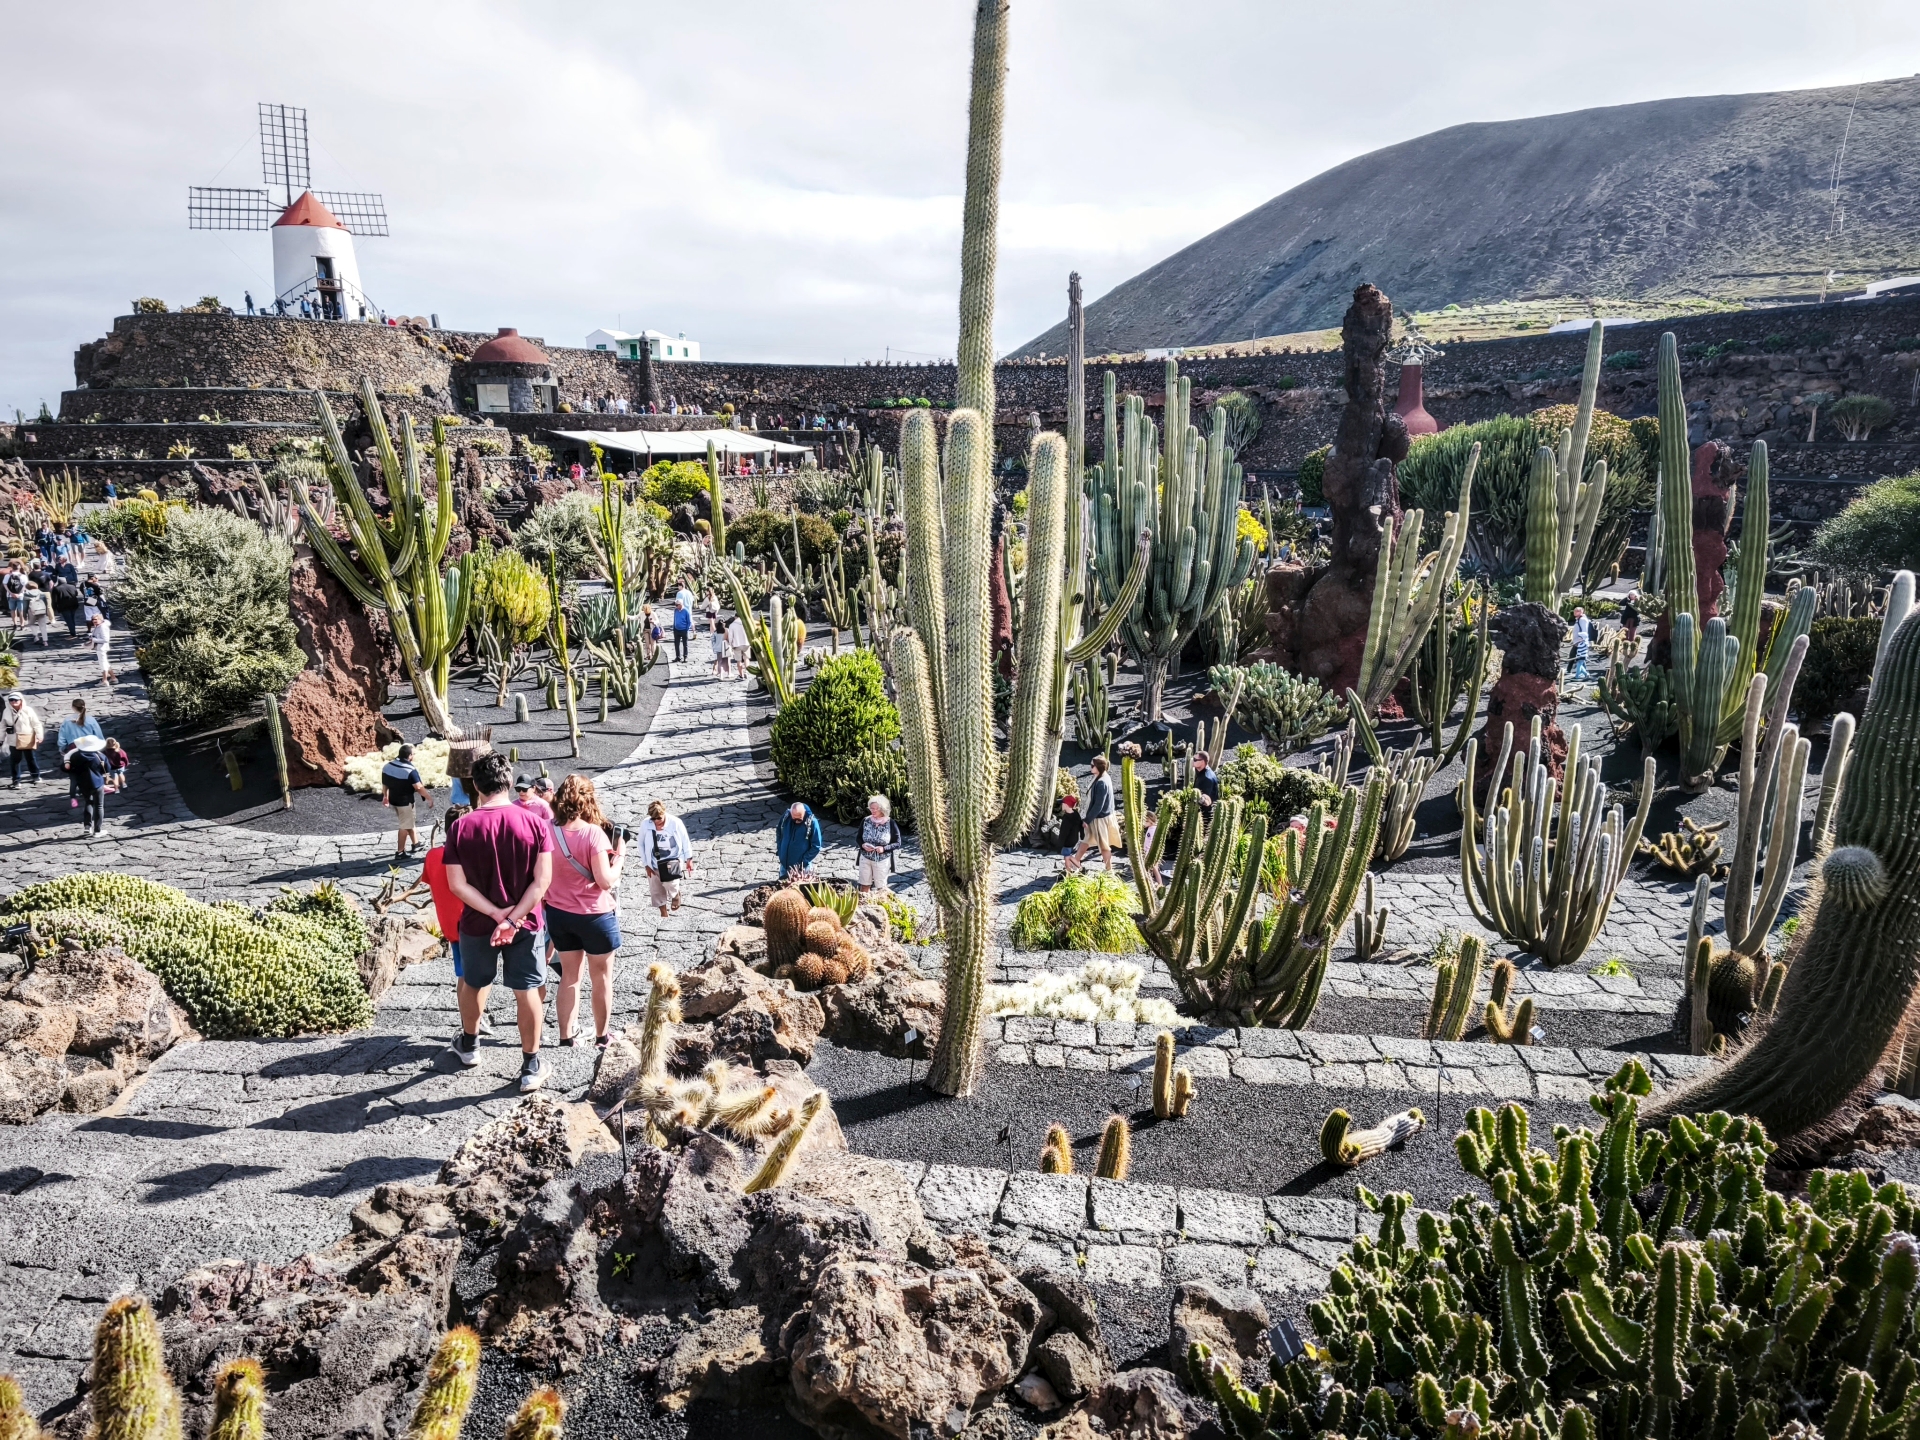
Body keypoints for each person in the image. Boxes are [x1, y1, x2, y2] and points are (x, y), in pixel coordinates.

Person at [442, 752, 554, 1091]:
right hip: (526, 924)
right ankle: (531, 1064)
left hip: (477, 923)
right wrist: (514, 918)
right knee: (527, 990)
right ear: (508, 782)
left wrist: (495, 915)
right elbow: (542, 881)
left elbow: (456, 885)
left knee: (474, 982)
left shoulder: (461, 827)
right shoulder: (535, 824)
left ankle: (470, 1044)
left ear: (476, 786)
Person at [545, 776, 627, 1047]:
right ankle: (602, 1036)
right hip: (594, 915)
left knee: (569, 976)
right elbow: (605, 880)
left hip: (559, 914)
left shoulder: (547, 829)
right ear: (587, 799)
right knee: (601, 977)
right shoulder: (593, 833)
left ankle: (566, 1037)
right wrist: (620, 857)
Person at [423, 804, 494, 1035]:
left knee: (464, 974)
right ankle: (474, 1021)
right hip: (473, 923)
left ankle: (468, 1020)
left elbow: (432, 888)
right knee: (481, 976)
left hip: (449, 924)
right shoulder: (471, 857)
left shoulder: (432, 856)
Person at [640, 797, 694, 917]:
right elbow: (641, 844)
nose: (656, 821)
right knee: (656, 889)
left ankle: (675, 895)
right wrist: (646, 864)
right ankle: (664, 913)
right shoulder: (645, 824)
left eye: (659, 818)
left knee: (671, 883)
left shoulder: (675, 822)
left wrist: (688, 859)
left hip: (672, 859)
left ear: (664, 813)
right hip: (653, 862)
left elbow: (685, 840)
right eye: (653, 818)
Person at [381, 744, 433, 856]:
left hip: (394, 801)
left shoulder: (387, 766)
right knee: (404, 826)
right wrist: (429, 798)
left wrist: (385, 796)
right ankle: (400, 852)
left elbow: (385, 784)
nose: (414, 756)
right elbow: (418, 787)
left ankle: (416, 844)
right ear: (409, 756)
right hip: (405, 803)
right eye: (413, 754)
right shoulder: (410, 770)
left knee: (409, 821)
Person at [1070, 754, 1118, 874]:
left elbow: (1098, 805)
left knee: (1104, 846)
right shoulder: (1103, 777)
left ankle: (1109, 871)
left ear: (1099, 767)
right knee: (1085, 841)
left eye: (1092, 766)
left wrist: (1087, 820)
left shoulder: (1101, 782)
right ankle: (1075, 863)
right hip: (1097, 818)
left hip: (1099, 820)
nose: (1090, 767)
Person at [58, 698, 102, 809]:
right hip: (90, 749)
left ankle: (74, 797)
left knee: (74, 775)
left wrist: (62, 749)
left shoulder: (67, 721)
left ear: (73, 707)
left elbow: (62, 738)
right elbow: (99, 736)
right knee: (92, 770)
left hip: (73, 750)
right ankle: (91, 791)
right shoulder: (91, 720)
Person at [856, 795, 900, 896]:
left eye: (876, 808)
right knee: (864, 885)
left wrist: (884, 848)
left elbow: (898, 843)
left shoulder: (891, 823)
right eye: (871, 808)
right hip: (865, 858)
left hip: (882, 860)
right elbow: (858, 838)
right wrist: (862, 845)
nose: (873, 811)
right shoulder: (866, 820)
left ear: (882, 809)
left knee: (881, 888)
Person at [70, 734, 108, 836]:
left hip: (82, 783)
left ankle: (87, 826)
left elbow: (68, 768)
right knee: (99, 805)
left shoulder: (75, 756)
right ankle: (97, 830)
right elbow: (107, 769)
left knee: (88, 802)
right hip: (97, 783)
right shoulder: (100, 756)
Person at [776, 800, 823, 881]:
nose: (797, 821)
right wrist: (780, 851)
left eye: (799, 819)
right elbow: (779, 832)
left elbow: (817, 846)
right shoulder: (786, 817)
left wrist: (804, 861)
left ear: (804, 812)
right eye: (794, 819)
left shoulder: (812, 822)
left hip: (802, 869)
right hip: (784, 866)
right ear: (791, 813)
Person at [6, 693, 42, 788]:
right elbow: (2, 726)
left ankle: (36, 776)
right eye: (11, 700)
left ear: (21, 700)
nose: (13, 702)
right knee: (15, 760)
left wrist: (39, 735)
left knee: (30, 758)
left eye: (16, 700)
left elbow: (36, 724)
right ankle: (16, 780)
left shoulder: (28, 710)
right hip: (13, 740)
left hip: (27, 738)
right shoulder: (7, 711)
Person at [1056, 794, 1084, 872]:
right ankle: (1069, 870)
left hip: (1067, 841)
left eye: (1063, 803)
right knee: (1067, 855)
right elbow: (1080, 825)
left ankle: (1077, 869)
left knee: (1067, 856)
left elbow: (1063, 833)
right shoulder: (1075, 813)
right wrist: (1082, 835)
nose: (1061, 804)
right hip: (1074, 839)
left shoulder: (1066, 819)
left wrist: (1059, 845)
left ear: (1066, 805)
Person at [88, 611, 116, 685]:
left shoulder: (102, 627)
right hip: (100, 647)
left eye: (96, 620)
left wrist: (93, 639)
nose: (94, 622)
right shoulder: (99, 626)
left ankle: (104, 680)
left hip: (102, 648)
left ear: (100, 619)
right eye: (93, 620)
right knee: (105, 663)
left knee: (103, 664)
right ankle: (113, 678)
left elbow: (105, 639)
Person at [1570, 606, 1592, 682]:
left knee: (1579, 659)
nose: (1574, 612)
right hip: (1578, 641)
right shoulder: (1578, 619)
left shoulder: (1582, 620)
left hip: (1580, 642)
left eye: (1576, 611)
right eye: (1574, 610)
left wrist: (1581, 639)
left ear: (1581, 612)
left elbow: (1584, 630)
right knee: (1580, 660)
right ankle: (1585, 673)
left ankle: (1577, 674)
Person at [725, 612, 749, 678]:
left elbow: (730, 637)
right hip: (746, 643)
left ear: (735, 617)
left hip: (737, 644)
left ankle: (741, 675)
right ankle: (746, 671)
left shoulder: (732, 625)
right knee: (746, 659)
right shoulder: (746, 623)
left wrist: (730, 644)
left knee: (739, 660)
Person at [671, 597, 692, 662]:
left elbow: (689, 621)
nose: (676, 606)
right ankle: (678, 657)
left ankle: (685, 657)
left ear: (681, 604)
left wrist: (687, 629)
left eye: (677, 605)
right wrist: (674, 627)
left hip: (683, 630)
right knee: (676, 644)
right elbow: (675, 619)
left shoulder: (686, 611)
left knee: (685, 644)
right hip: (676, 630)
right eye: (675, 605)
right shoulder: (676, 610)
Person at [4, 565, 24, 629]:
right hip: (20, 596)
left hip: (10, 595)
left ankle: (15, 624)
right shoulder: (23, 576)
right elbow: (25, 586)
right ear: (19, 568)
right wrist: (19, 593)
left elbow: (5, 584)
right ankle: (22, 625)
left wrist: (11, 593)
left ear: (12, 568)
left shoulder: (7, 575)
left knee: (13, 610)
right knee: (21, 611)